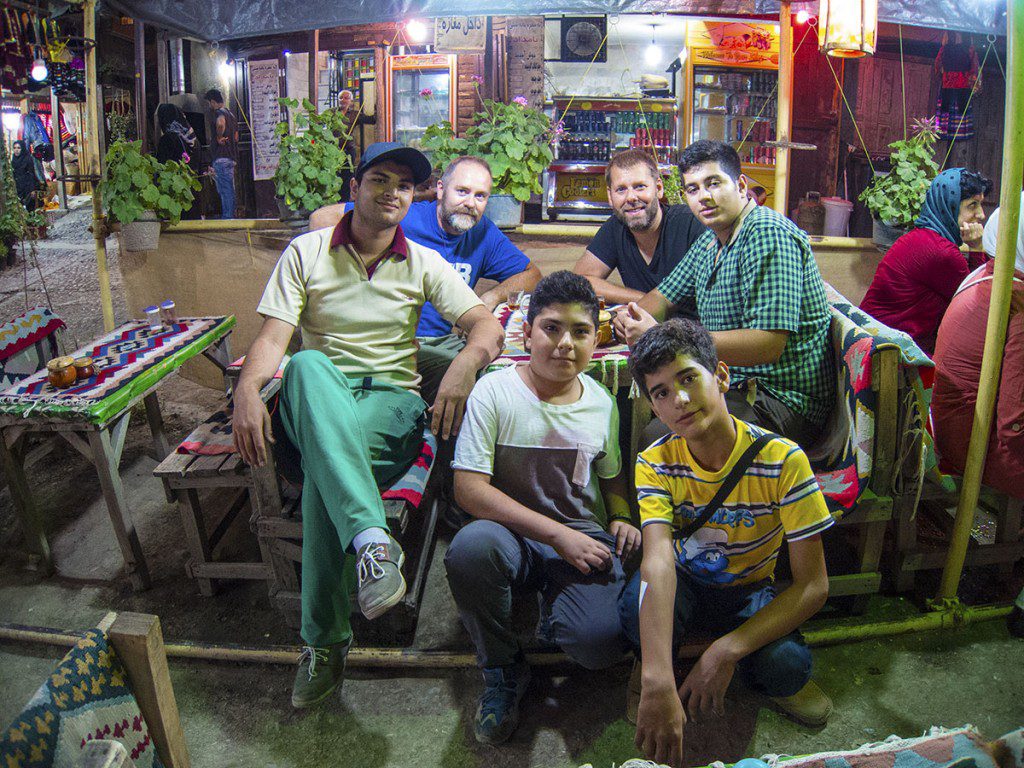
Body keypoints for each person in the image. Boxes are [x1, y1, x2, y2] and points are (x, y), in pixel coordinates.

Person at [231, 142, 504, 709]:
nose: (392, 192)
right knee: (307, 363)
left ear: (413, 198)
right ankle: (374, 543)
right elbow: (273, 341)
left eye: (404, 186)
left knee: (327, 471)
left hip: (391, 406)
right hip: (316, 398)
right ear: (354, 186)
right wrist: (246, 392)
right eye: (380, 179)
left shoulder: (424, 262)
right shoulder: (305, 253)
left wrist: (462, 364)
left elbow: (484, 326)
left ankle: (325, 644)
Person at [621, 319, 833, 768]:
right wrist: (658, 677)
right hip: (686, 582)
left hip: (750, 589)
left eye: (688, 379)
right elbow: (657, 562)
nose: (678, 399)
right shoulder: (654, 462)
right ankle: (655, 671)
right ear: (654, 407)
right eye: (660, 392)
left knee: (788, 667)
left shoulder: (783, 460)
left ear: (721, 377)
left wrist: (726, 650)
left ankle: (726, 656)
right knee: (629, 612)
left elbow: (813, 586)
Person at [444, 271, 640, 745]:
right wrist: (555, 536)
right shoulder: (495, 391)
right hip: (508, 535)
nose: (565, 343)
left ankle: (552, 610)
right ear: (528, 332)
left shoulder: (600, 402)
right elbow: (469, 489)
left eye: (580, 331)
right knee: (470, 550)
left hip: (579, 532)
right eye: (551, 328)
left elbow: (611, 473)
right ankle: (503, 667)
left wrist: (620, 515)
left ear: (597, 338)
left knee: (600, 645)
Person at [615, 140, 832, 448]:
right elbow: (661, 297)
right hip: (733, 386)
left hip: (781, 402)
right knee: (645, 421)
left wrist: (666, 336)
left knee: (657, 440)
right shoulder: (710, 242)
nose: (704, 196)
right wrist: (630, 316)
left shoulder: (767, 233)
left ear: (741, 185)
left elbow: (767, 344)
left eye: (713, 183)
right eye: (692, 189)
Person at [309, 155, 541, 405]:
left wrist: (491, 296)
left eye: (480, 196)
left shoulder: (482, 232)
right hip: (387, 342)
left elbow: (532, 275)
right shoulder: (401, 215)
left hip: (443, 342)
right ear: (440, 189)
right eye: (462, 191)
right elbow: (320, 218)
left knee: (500, 380)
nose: (470, 203)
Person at [931, 193, 1024, 498]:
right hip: (977, 445)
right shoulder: (1015, 302)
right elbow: (1014, 426)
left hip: (951, 427)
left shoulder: (989, 274)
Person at [859, 167, 992, 355]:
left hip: (874, 340)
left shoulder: (921, 236)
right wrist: (978, 247)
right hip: (892, 354)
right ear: (949, 206)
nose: (981, 215)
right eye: (972, 205)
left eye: (981, 204)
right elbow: (978, 306)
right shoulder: (942, 253)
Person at [574, 149, 705, 308]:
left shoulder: (691, 225)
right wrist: (643, 301)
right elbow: (579, 282)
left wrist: (650, 305)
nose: (631, 197)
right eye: (621, 189)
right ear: (610, 196)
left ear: (658, 188)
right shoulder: (616, 227)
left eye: (640, 187)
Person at [204, 88, 238, 219]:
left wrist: (219, 137)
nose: (209, 106)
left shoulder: (219, 113)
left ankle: (228, 218)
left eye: (209, 103)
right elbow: (236, 137)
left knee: (225, 190)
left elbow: (220, 123)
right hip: (231, 157)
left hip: (221, 157)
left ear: (213, 101)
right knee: (229, 188)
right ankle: (231, 215)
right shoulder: (232, 114)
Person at [11, 139, 42, 211]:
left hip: (27, 187)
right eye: (15, 148)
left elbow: (31, 174)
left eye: (19, 148)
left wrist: (32, 189)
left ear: (22, 148)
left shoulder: (27, 158)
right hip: (18, 187)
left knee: (30, 208)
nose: (16, 150)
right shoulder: (14, 159)